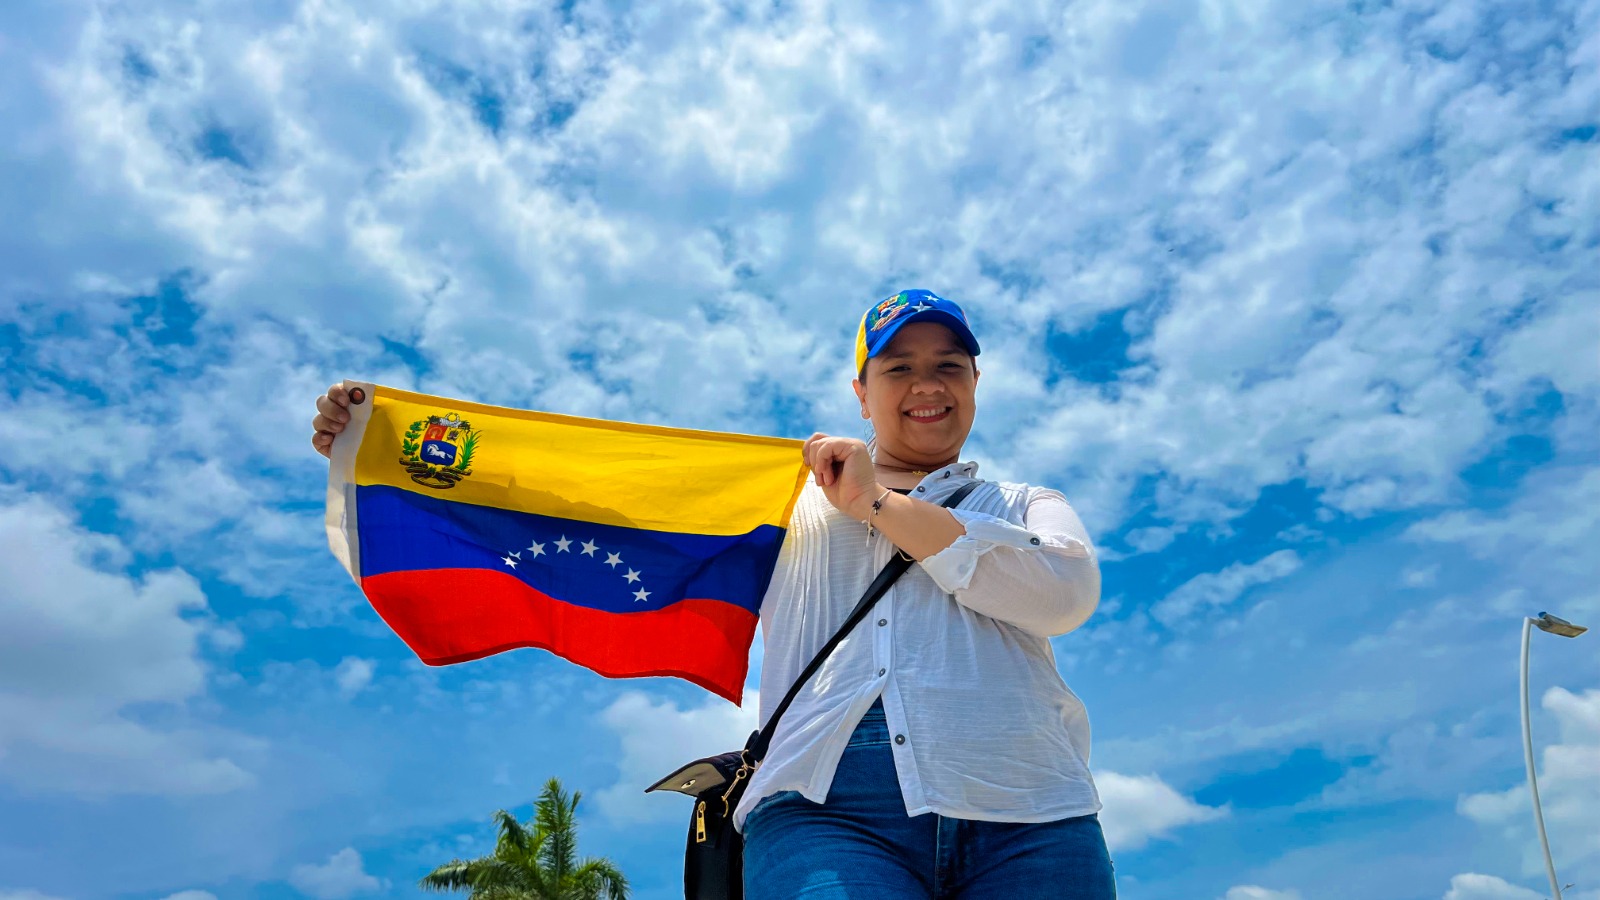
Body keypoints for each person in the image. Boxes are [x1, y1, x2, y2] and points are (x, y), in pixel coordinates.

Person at [309, 289, 1113, 899]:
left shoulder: (1021, 504)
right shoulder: (787, 496)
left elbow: (1063, 594)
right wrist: (381, 444)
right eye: (898, 368)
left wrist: (878, 504)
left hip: (1033, 810)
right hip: (828, 809)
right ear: (863, 392)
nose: (925, 386)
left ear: (975, 380)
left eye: (947, 366)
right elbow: (588, 499)